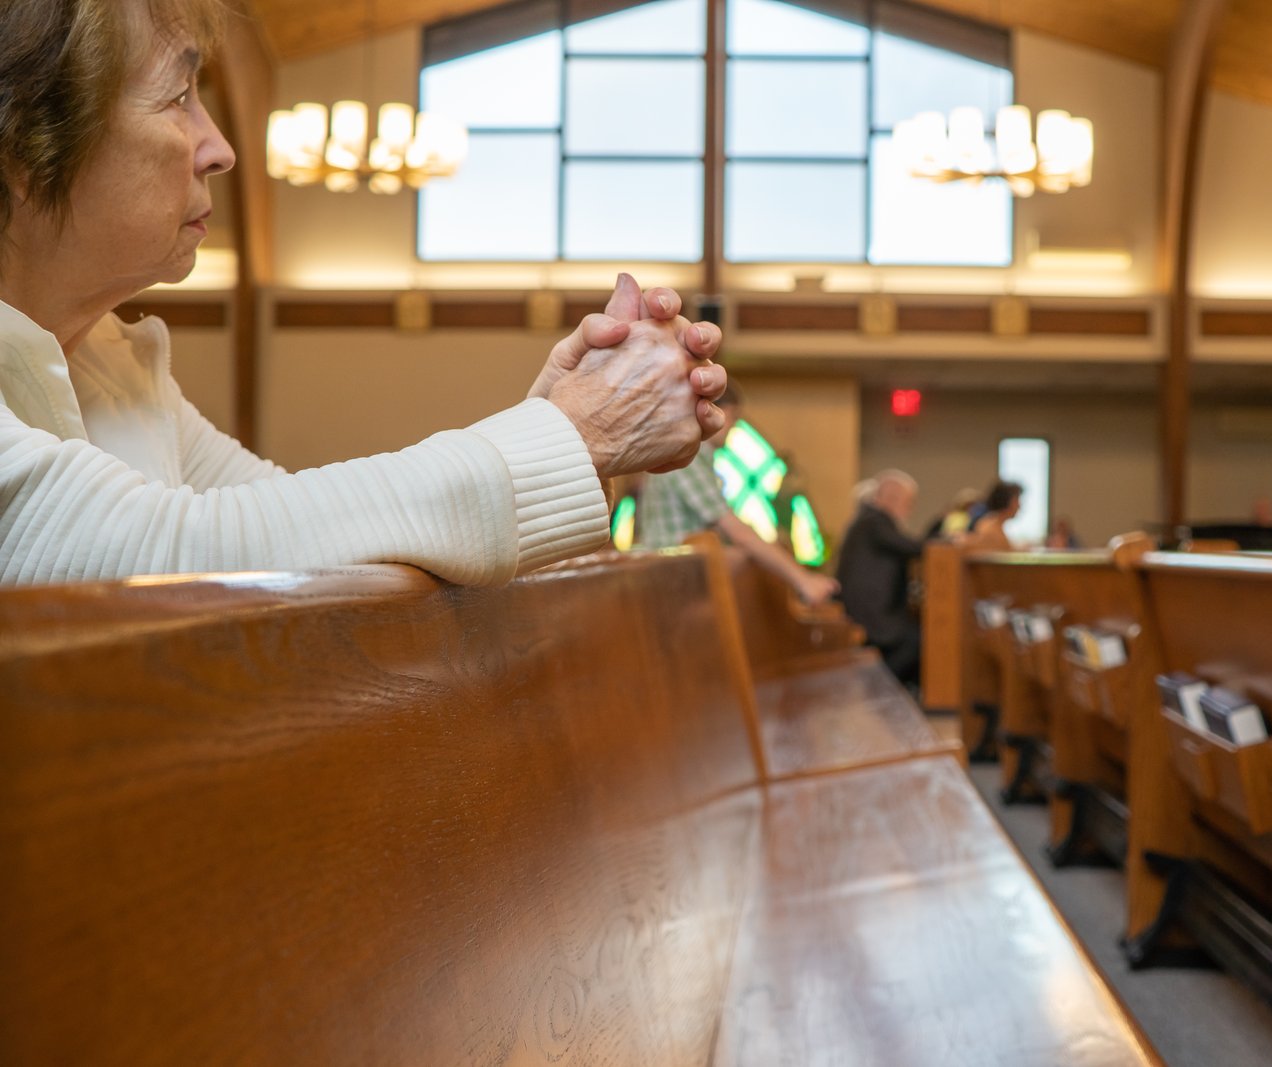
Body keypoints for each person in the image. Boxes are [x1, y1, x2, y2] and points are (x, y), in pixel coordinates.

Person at [0, 0, 728, 586]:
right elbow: (177, 552)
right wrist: (576, 433)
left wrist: (559, 422)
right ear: (25, 145)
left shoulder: (113, 367)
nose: (219, 146)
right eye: (178, 96)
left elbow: (319, 537)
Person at [635, 379, 837, 605]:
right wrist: (802, 580)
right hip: (672, 586)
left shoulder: (691, 454)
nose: (733, 427)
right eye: (734, 417)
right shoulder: (687, 456)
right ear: (718, 412)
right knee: (747, 561)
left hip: (677, 581)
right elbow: (735, 530)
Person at [835, 470, 923, 685]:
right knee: (920, 640)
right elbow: (911, 547)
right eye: (908, 502)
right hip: (871, 614)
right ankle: (876, 689)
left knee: (916, 634)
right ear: (890, 498)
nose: (909, 509)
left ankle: (882, 691)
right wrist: (945, 542)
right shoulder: (875, 521)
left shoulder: (868, 520)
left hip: (872, 609)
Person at [964, 480, 1022, 552]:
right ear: (1006, 501)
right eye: (1016, 500)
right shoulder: (989, 528)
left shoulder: (994, 525)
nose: (1019, 506)